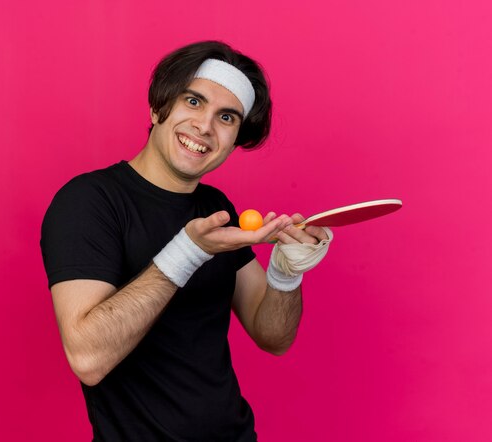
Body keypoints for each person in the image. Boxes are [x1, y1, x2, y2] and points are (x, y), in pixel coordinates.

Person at [40, 41, 332, 441]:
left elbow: (273, 338)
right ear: (158, 106)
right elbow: (88, 357)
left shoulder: (216, 207)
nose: (205, 126)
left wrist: (286, 271)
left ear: (234, 139)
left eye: (226, 117)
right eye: (193, 102)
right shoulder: (89, 202)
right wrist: (187, 252)